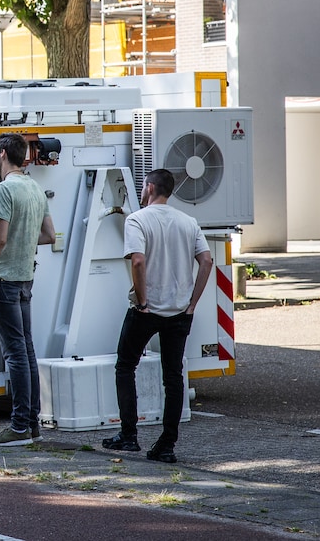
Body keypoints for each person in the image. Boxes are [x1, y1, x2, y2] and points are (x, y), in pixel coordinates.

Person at [103, 168, 214, 464]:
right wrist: (192, 303)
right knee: (173, 375)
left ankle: (128, 435)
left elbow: (137, 260)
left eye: (143, 187)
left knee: (125, 366)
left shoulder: (138, 219)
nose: (141, 191)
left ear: (150, 188)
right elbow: (206, 260)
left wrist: (142, 302)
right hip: (179, 311)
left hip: (147, 310)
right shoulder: (187, 221)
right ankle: (166, 444)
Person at [0, 132, 56, 447]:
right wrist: (20, 238)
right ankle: (30, 425)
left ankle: (19, 427)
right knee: (26, 351)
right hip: (25, 278)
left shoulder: (5, 189)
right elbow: (49, 237)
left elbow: (0, 239)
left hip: (3, 279)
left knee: (15, 354)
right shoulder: (34, 188)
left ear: (4, 153)